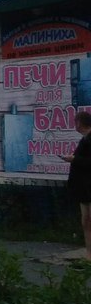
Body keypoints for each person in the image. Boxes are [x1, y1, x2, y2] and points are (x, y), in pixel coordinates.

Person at [60, 109, 91, 261]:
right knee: (86, 220)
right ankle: (89, 253)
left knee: (88, 220)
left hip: (89, 186)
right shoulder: (84, 140)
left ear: (80, 123)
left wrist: (73, 160)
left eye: (75, 122)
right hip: (84, 188)